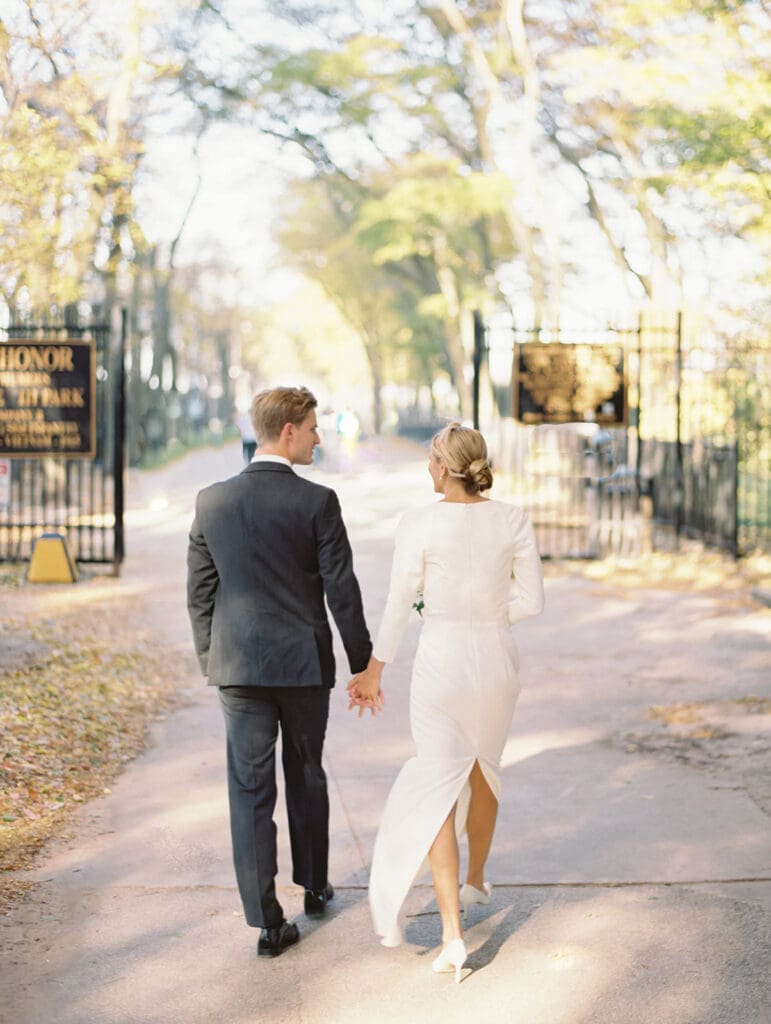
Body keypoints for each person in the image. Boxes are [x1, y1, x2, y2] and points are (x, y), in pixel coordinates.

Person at [348, 422, 544, 981]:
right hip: (495, 661)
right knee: (485, 769)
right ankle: (477, 875)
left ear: (441, 467)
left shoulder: (419, 522)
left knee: (439, 782)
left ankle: (453, 937)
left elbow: (397, 603)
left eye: (430, 460)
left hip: (440, 666)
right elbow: (532, 599)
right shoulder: (513, 519)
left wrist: (373, 672)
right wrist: (487, 614)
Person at [187, 386, 372, 958]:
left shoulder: (211, 501)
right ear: (288, 430)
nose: (320, 436)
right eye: (314, 427)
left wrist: (210, 657)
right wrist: (362, 663)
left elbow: (200, 592)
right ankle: (314, 885)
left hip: (237, 666)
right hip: (302, 663)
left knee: (249, 791)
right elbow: (342, 590)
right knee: (307, 771)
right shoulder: (318, 502)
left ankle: (268, 923)